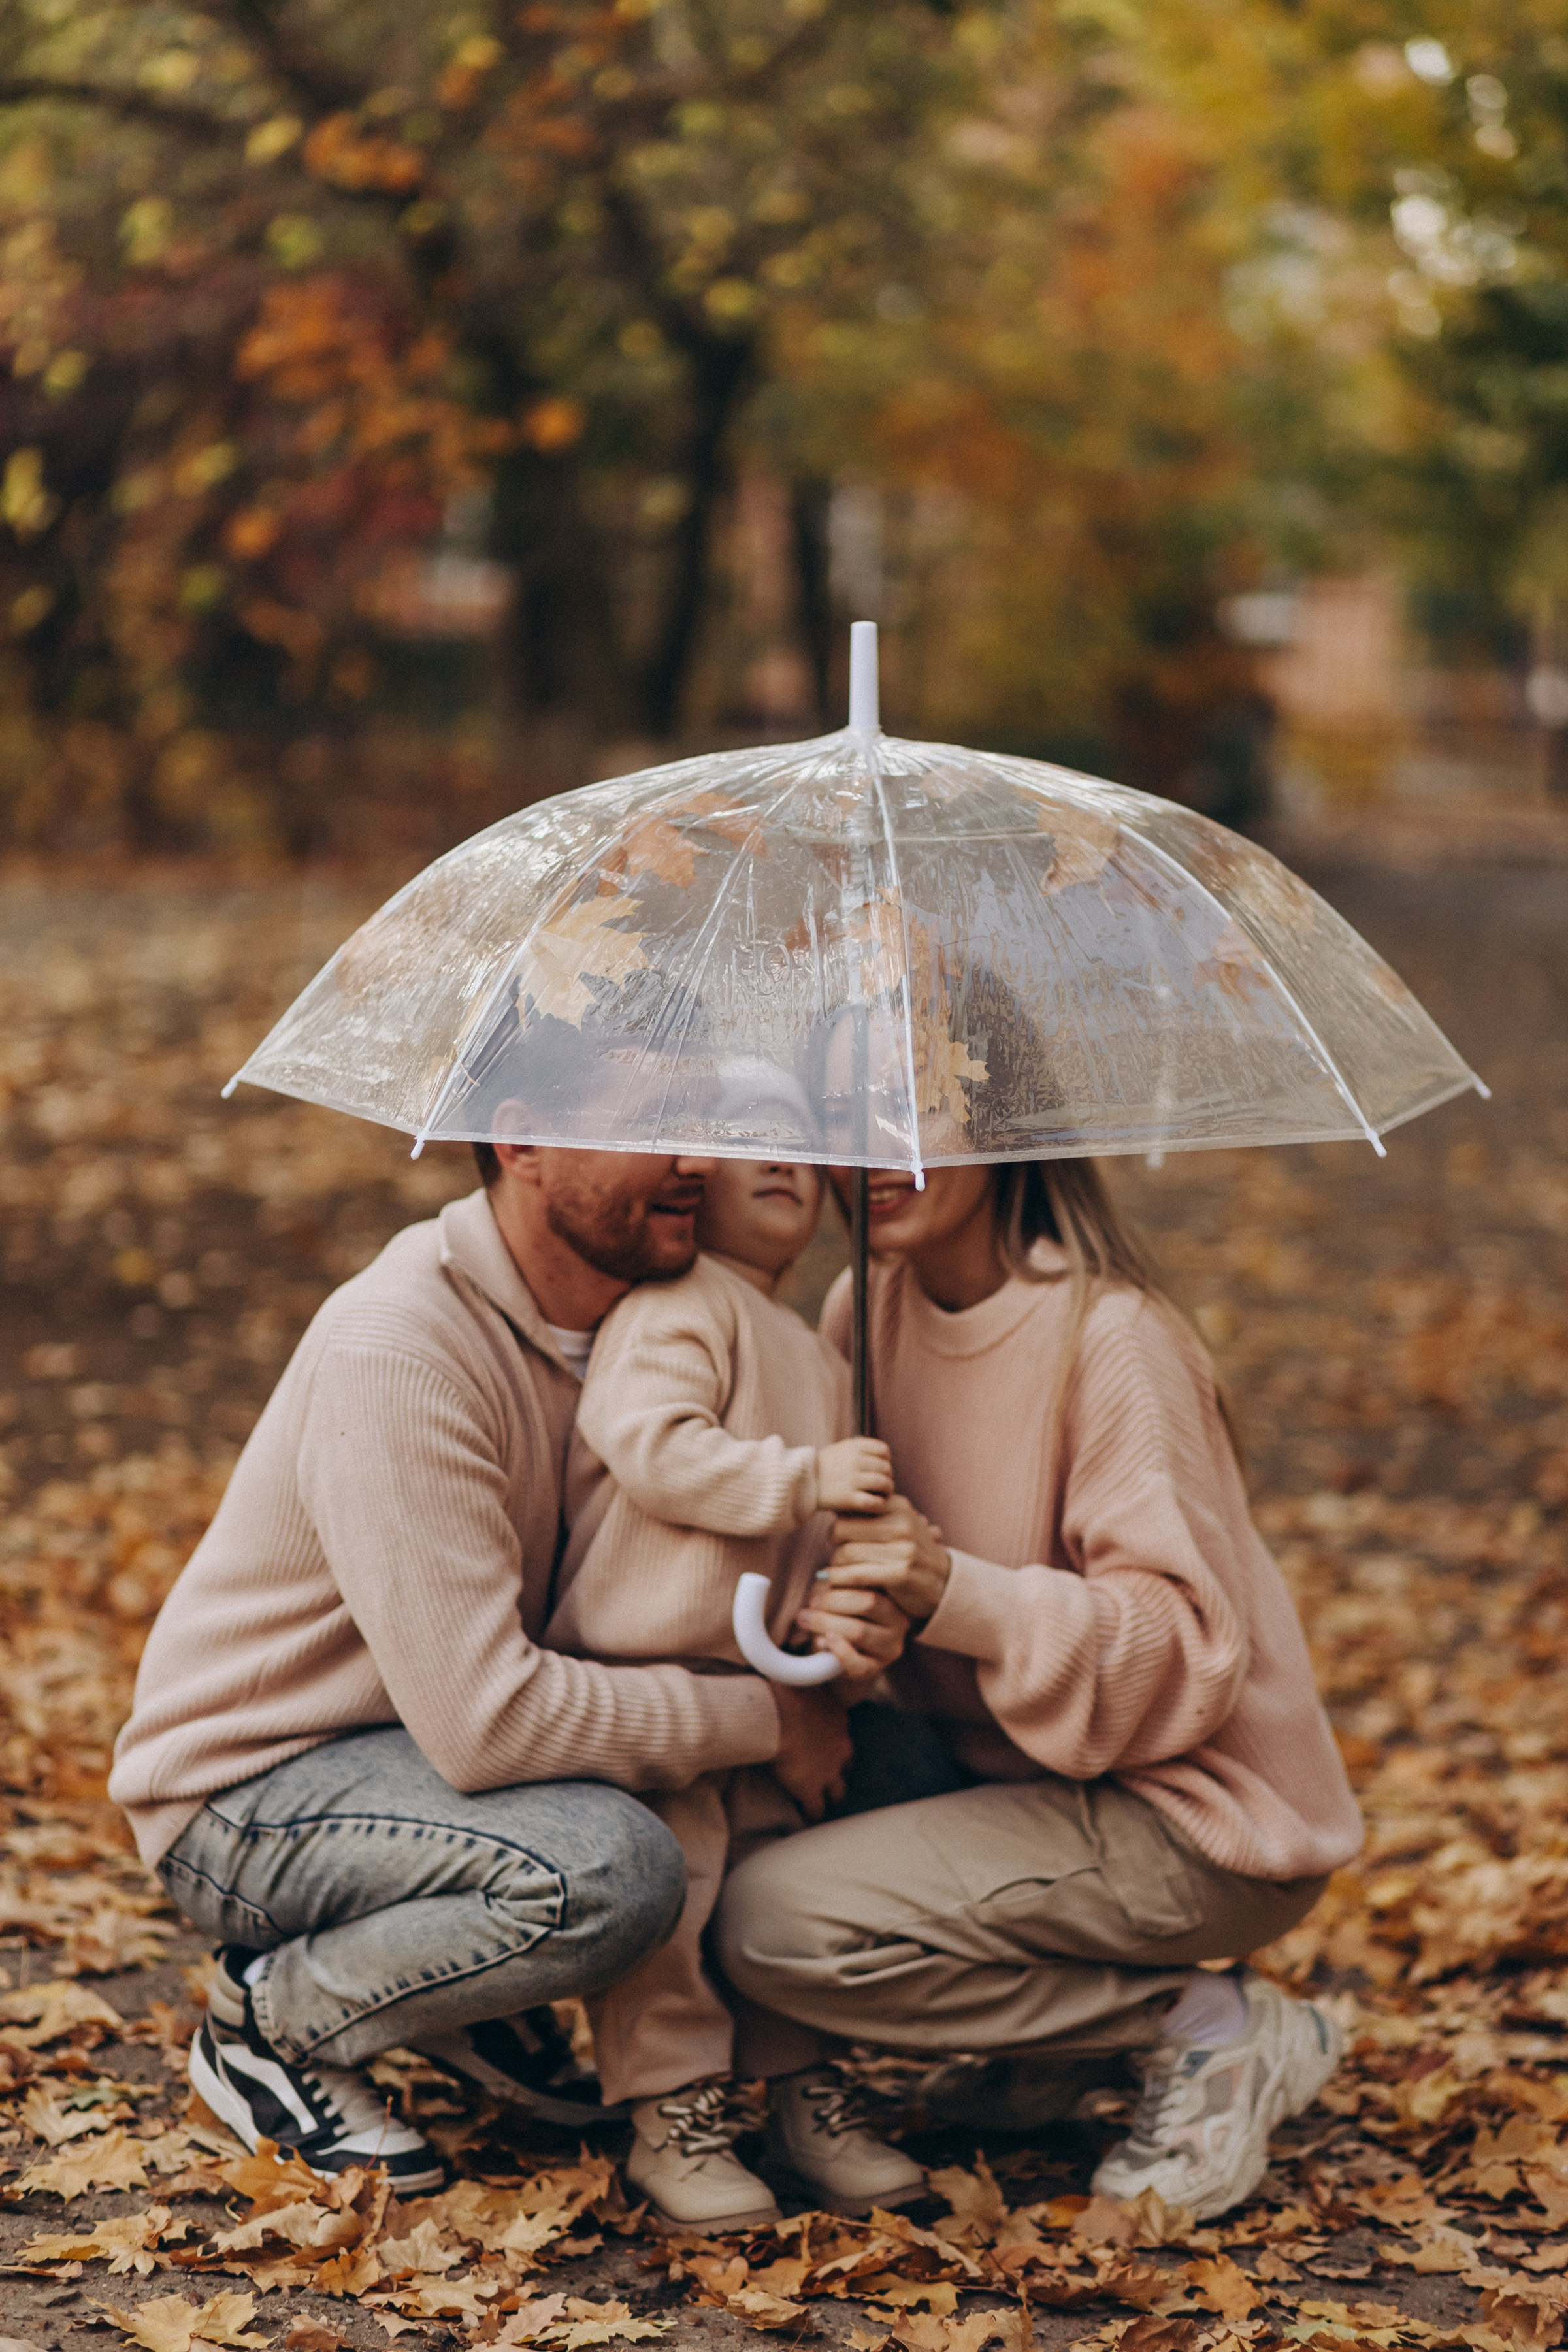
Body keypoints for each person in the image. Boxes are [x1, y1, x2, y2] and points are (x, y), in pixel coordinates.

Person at [108, 1141, 885, 2191]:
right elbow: (492, 1723)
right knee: (611, 1871)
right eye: (646, 1123)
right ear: (521, 1142)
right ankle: (276, 2021)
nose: (697, 1158)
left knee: (891, 1761)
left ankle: (465, 2000)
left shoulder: (643, 1327)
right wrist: (768, 1719)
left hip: (418, 1753)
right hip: (259, 1785)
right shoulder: (401, 1345)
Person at [717, 1156, 1364, 2223]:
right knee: (739, 1806)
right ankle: (1065, 2049)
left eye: (920, 1114)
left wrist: (950, 1590)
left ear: (1007, 1120)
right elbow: (891, 1597)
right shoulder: (862, 1310)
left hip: (1192, 1810)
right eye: (855, 1116)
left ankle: (1207, 2029)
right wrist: (860, 1629)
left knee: (773, 1926)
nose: (877, 1158)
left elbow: (1180, 1649)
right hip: (1010, 1779)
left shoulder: (1113, 1340)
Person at [548, 1147, 923, 2229]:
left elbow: (817, 1535)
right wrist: (804, 1476)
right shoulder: (678, 1303)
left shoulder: (814, 1344)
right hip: (661, 1669)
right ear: (693, 1179)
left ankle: (803, 2090)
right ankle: (671, 2109)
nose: (782, 1167)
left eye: (803, 1151)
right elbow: (651, 1445)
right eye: (748, 1141)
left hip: (772, 1678)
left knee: (764, 1875)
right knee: (676, 1902)